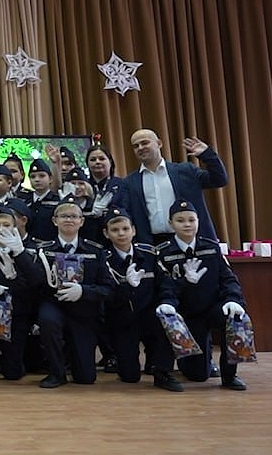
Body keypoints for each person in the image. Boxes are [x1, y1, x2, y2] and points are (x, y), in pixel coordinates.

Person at [155, 201, 249, 390]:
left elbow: (228, 279)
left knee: (236, 317)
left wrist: (233, 299)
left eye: (191, 220)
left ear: (198, 221)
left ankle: (230, 375)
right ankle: (163, 373)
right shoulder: (163, 252)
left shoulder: (212, 248)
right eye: (180, 220)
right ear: (171, 223)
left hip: (209, 308)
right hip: (183, 313)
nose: (187, 224)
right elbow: (164, 286)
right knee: (198, 375)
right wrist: (170, 300)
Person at [100, 209, 183, 392]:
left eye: (125, 229)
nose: (121, 234)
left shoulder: (150, 254)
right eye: (115, 230)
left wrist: (167, 303)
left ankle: (163, 373)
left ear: (133, 230)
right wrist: (127, 287)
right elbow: (106, 295)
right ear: (106, 233)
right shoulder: (103, 259)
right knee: (130, 376)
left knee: (168, 321)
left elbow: (165, 284)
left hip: (149, 316)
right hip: (122, 320)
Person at [34, 202, 113, 388]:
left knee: (86, 378)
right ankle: (56, 373)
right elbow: (36, 284)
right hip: (54, 304)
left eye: (74, 216)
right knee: (48, 320)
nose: (69, 220)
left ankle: (75, 359)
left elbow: (108, 288)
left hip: (83, 311)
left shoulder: (96, 251)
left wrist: (84, 291)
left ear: (82, 221)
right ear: (55, 221)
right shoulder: (44, 250)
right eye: (64, 216)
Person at [114, 129, 227, 243]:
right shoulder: (129, 182)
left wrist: (208, 155)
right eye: (136, 146)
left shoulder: (186, 171)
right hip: (153, 244)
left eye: (145, 143)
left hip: (192, 240)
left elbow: (219, 180)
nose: (140, 148)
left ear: (159, 143)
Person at [0, 206, 43, 381]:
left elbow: (37, 283)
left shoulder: (29, 253)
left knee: (13, 373)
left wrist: (14, 273)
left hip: (18, 314)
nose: (1, 229)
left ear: (15, 228)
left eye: (6, 225)